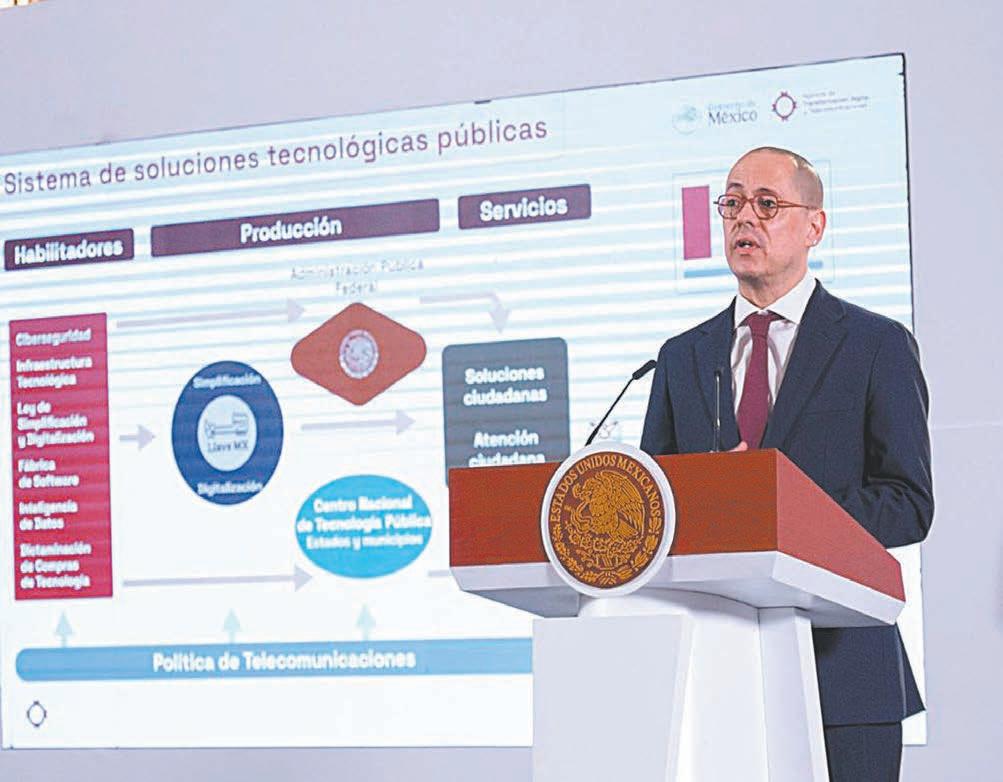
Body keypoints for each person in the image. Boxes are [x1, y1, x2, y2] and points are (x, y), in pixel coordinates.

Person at [640, 146, 933, 780]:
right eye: (733, 203)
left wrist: (779, 512)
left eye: (767, 204)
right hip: (713, 677)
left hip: (845, 674)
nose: (745, 218)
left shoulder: (876, 345)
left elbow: (908, 503)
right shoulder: (681, 357)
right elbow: (652, 509)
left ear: (814, 226)